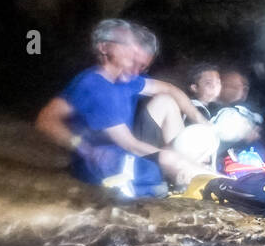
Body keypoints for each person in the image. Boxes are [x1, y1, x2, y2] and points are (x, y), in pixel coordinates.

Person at [34, 19, 214, 198]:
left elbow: (169, 89)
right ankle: (195, 178)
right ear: (104, 48)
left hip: (122, 152)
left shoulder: (125, 79)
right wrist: (84, 148)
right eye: (127, 45)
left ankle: (189, 174)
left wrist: (200, 120)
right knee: (161, 170)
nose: (134, 51)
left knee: (166, 101)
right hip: (104, 164)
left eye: (134, 46)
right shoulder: (94, 85)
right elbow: (45, 120)